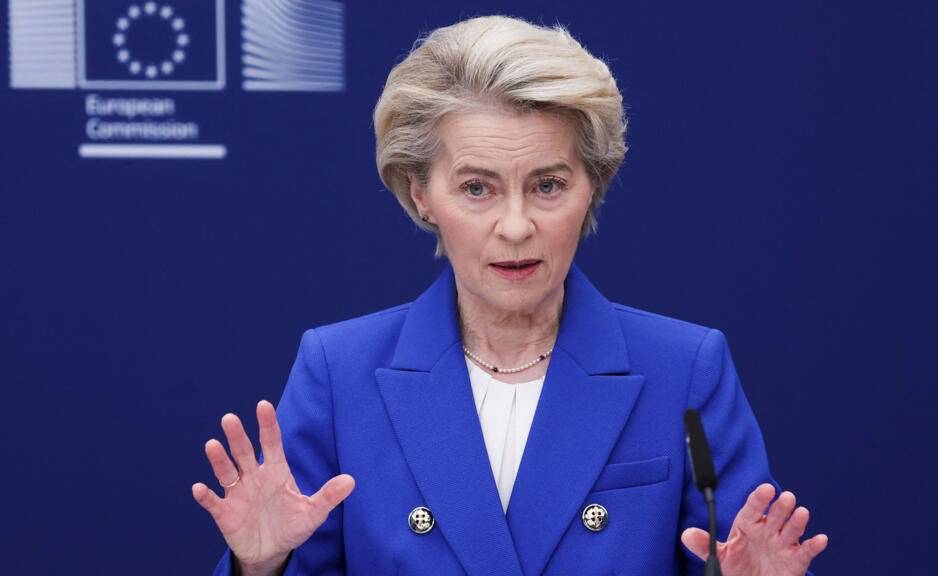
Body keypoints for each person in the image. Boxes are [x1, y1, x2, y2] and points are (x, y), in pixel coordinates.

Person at [192, 15, 828, 576]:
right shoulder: (340, 373)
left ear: (592, 185)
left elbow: (738, 557)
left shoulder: (685, 370)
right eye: (478, 188)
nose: (517, 226)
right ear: (421, 193)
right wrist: (261, 566)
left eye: (548, 186)